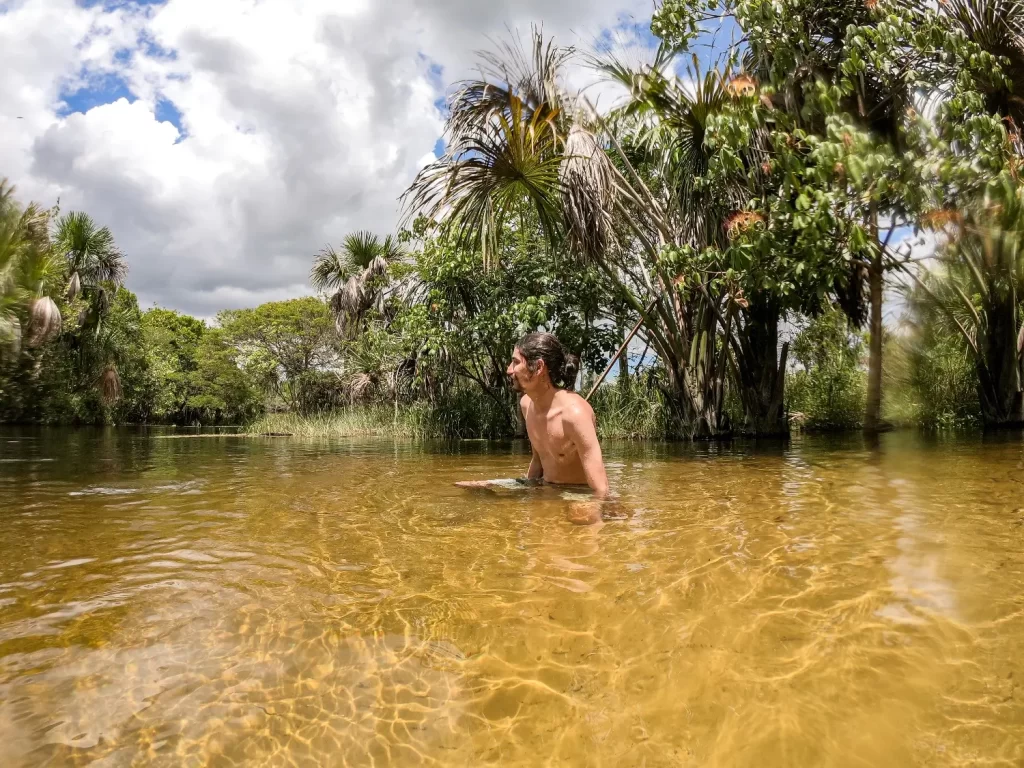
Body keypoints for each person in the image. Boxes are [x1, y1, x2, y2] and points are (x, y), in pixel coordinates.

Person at [507, 332, 609, 498]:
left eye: (516, 362)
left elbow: (601, 488)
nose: (509, 370)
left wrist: (589, 510)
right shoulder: (526, 405)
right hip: (548, 492)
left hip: (579, 495)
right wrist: (526, 496)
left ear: (539, 367)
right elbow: (538, 462)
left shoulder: (575, 414)